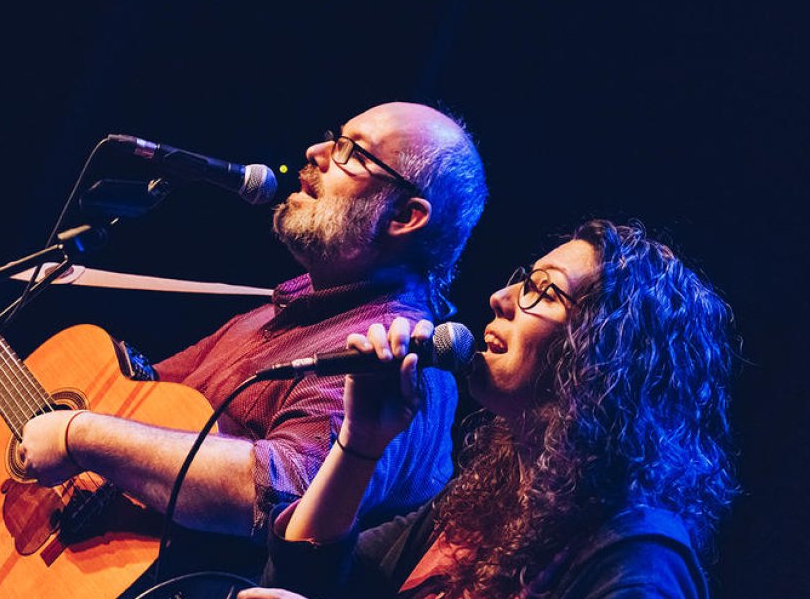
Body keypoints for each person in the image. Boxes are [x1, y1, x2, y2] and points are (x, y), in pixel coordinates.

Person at [0, 103, 488, 561]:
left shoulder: (389, 355)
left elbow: (282, 494)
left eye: (351, 151)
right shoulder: (271, 316)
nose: (315, 152)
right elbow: (88, 432)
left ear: (406, 216)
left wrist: (81, 434)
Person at [239, 220, 737, 598]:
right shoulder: (487, 503)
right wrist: (359, 443)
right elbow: (303, 579)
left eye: (543, 290)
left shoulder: (638, 557)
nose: (501, 298)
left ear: (605, 351)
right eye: (522, 281)